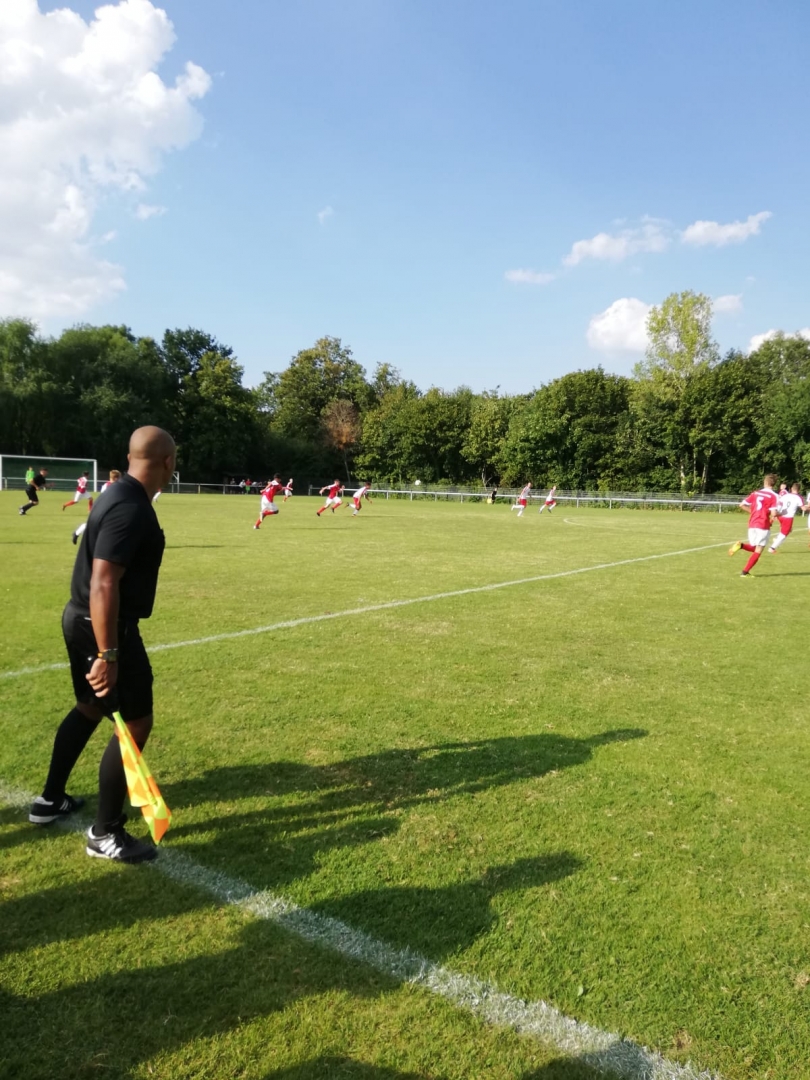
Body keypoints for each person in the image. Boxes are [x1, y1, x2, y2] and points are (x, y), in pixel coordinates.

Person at [28, 426, 176, 863]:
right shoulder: (130, 506)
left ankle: (50, 799)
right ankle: (105, 832)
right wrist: (109, 652)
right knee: (136, 722)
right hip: (104, 626)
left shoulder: (118, 493)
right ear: (168, 462)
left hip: (82, 619)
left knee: (89, 707)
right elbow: (104, 580)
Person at [729, 473, 779, 577]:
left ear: (765, 482)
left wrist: (754, 513)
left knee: (755, 547)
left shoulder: (756, 493)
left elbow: (742, 505)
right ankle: (745, 572)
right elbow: (774, 513)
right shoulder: (774, 496)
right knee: (758, 550)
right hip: (763, 525)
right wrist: (780, 514)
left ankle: (741, 545)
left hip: (752, 524)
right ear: (774, 484)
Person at [72, 470, 121, 545]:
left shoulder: (108, 485)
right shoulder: (110, 486)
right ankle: (77, 533)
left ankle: (77, 533)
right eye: (119, 478)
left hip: (107, 508)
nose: (120, 479)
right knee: (95, 525)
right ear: (116, 478)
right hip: (105, 509)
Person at [769, 482, 804, 553]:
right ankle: (772, 548)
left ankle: (776, 540)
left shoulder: (786, 495)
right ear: (799, 490)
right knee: (784, 534)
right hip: (788, 517)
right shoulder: (799, 497)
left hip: (781, 515)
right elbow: (803, 508)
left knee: (789, 530)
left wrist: (776, 514)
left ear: (791, 488)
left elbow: (779, 504)